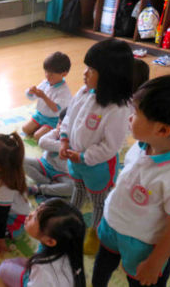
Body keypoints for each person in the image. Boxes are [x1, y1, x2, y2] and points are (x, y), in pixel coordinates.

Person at [92, 75, 170, 287]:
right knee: (103, 264)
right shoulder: (144, 143)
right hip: (113, 224)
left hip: (142, 242)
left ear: (162, 130)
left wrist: (155, 263)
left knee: (141, 281)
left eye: (135, 113)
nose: (129, 118)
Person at [59, 39, 134, 255]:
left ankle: (95, 231)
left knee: (99, 201)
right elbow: (68, 117)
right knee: (78, 189)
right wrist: (64, 139)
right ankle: (72, 218)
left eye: (91, 69)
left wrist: (83, 156)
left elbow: (111, 146)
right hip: (76, 159)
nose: (85, 73)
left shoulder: (118, 109)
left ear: (110, 76)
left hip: (97, 166)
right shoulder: (85, 91)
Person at [0, 198, 86, 287]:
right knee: (14, 262)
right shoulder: (68, 247)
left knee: (3, 268)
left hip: (38, 278)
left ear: (50, 241)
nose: (30, 215)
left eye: (35, 218)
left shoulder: (43, 270)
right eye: (37, 209)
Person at [23, 51, 72, 141]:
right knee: (25, 129)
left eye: (51, 74)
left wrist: (44, 97)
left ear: (64, 74)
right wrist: (31, 92)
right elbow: (32, 97)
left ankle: (51, 130)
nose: (47, 76)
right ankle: (42, 128)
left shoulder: (63, 91)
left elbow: (56, 109)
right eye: (46, 72)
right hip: (40, 115)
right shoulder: (45, 83)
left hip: (53, 120)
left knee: (37, 136)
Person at [25, 109, 73, 198]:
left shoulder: (76, 142)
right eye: (59, 123)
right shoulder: (55, 133)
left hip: (62, 173)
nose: (60, 128)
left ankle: (40, 189)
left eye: (65, 127)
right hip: (44, 164)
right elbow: (42, 142)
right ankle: (50, 184)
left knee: (73, 188)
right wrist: (63, 145)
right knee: (21, 161)